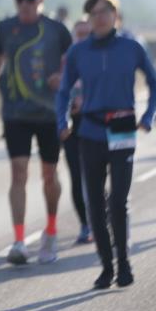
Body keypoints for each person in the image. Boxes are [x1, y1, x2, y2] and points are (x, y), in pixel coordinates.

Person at [56, 0, 156, 289]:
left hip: (122, 127)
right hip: (89, 130)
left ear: (115, 15)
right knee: (95, 203)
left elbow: (155, 82)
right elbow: (64, 90)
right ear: (88, 19)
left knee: (117, 201)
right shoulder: (79, 52)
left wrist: (150, 114)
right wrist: (62, 120)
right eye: (94, 14)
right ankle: (106, 267)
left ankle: (124, 263)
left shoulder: (131, 47)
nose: (99, 18)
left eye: (105, 12)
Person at [0, 0, 72, 264]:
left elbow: (74, 60)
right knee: (18, 173)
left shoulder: (57, 30)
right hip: (15, 113)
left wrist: (65, 79)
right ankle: (19, 240)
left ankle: (51, 229)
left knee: (49, 174)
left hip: (49, 112)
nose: (24, 4)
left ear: (41, 1)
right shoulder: (5, 27)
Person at [62, 16, 93, 244]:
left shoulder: (102, 58)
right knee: (75, 175)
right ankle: (84, 224)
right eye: (78, 34)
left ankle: (102, 218)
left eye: (86, 33)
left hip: (97, 123)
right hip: (72, 124)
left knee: (97, 176)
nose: (81, 38)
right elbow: (57, 92)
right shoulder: (64, 61)